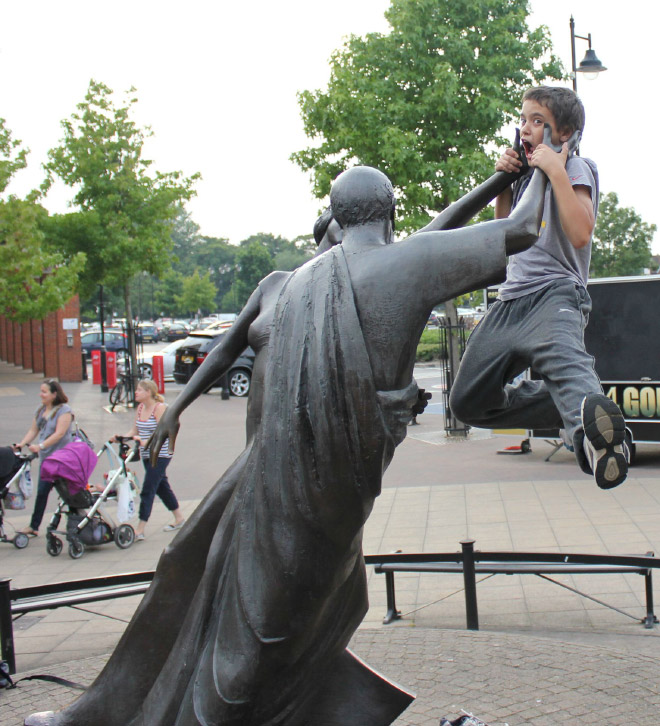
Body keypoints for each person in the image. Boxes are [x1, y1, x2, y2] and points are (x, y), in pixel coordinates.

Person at [25, 159, 550, 726]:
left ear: (338, 219)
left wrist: (520, 168)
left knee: (265, 622)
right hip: (267, 465)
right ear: (388, 216)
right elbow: (511, 230)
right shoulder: (301, 282)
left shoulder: (364, 272)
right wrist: (548, 160)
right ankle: (97, 714)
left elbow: (450, 231)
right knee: (187, 565)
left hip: (314, 485)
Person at [449, 86, 628, 490]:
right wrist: (506, 183)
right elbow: (506, 235)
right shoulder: (525, 177)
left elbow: (581, 233)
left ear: (563, 134)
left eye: (538, 122)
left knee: (567, 363)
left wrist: (556, 171)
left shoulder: (577, 168)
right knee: (467, 401)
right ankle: (573, 407)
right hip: (510, 301)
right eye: (523, 119)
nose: (525, 128)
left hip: (554, 295)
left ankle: (598, 441)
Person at [111, 379, 184, 541]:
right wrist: (121, 438)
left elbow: (162, 432)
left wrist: (146, 442)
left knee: (148, 489)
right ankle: (179, 518)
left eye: (139, 390)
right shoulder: (140, 408)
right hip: (146, 454)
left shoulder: (159, 409)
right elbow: (134, 430)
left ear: (149, 392)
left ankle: (140, 529)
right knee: (161, 486)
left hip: (160, 454)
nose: (136, 392)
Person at [14, 379, 74, 537]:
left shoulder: (64, 410)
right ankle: (34, 526)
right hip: (47, 461)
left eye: (44, 391)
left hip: (62, 460)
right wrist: (21, 444)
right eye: (41, 391)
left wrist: (40, 446)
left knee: (68, 493)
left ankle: (75, 523)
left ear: (54, 394)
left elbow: (60, 433)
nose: (40, 394)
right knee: (42, 492)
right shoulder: (41, 411)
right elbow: (33, 430)